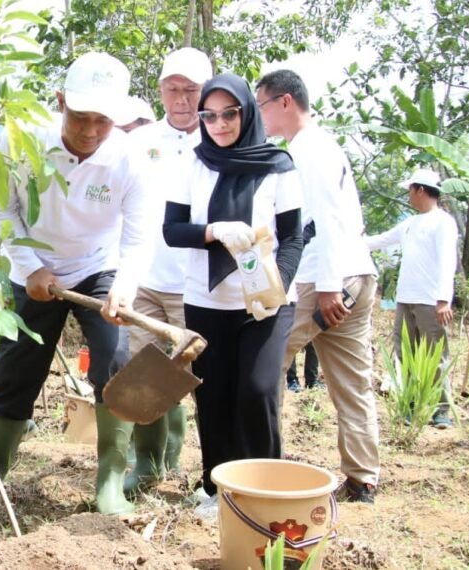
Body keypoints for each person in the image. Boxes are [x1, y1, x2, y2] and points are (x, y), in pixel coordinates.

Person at [0, 52, 158, 515]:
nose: (91, 131)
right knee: (17, 369)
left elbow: (138, 237)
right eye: (80, 118)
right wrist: (30, 266)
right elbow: (1, 210)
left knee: (114, 360)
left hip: (99, 267)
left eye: (103, 121)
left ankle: (110, 483)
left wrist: (124, 288)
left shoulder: (130, 159)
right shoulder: (22, 143)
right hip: (33, 265)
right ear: (59, 102)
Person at [164, 73, 304, 517]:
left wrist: (274, 288)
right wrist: (212, 232)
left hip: (265, 304)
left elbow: (294, 238)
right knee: (214, 395)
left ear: (246, 113)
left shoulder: (279, 166)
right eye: (210, 115)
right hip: (206, 302)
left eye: (230, 114)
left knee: (258, 391)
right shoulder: (192, 163)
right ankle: (217, 490)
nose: (219, 124)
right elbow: (172, 231)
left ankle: (264, 490)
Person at [256, 69, 380, 503]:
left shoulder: (307, 150)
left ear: (285, 102)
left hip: (325, 279)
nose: (260, 115)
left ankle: (262, 465)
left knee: (265, 365)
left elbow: (324, 220)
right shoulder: (324, 145)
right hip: (357, 273)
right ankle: (363, 478)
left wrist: (328, 287)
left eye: (262, 105)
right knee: (353, 382)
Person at [121, 46, 212, 496]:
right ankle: (147, 465)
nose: (181, 99)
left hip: (195, 286)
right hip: (145, 281)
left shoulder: (218, 142)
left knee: (202, 382)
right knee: (143, 377)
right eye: (173, 89)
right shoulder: (138, 141)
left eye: (190, 90)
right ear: (160, 90)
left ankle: (210, 473)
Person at [365, 168, 458, 428]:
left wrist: (443, 300)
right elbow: (380, 240)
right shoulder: (410, 223)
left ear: (420, 190)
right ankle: (409, 404)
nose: (408, 195)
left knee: (435, 356)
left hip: (430, 301)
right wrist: (349, 239)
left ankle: (441, 411)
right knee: (406, 354)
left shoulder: (443, 222)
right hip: (406, 299)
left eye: (410, 190)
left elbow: (447, 262)